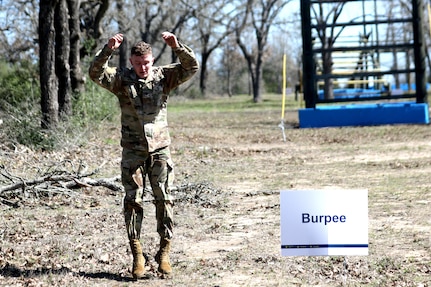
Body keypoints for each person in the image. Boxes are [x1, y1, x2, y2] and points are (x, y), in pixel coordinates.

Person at [88, 32, 199, 279]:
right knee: (133, 201)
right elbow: (95, 74)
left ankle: (164, 253)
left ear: (152, 59)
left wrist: (177, 46)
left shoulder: (164, 76)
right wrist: (107, 50)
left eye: (146, 62)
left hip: (160, 150)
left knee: (164, 199)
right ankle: (137, 255)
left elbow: (192, 66)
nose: (143, 67)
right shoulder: (121, 79)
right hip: (133, 151)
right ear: (130, 61)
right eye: (138, 64)